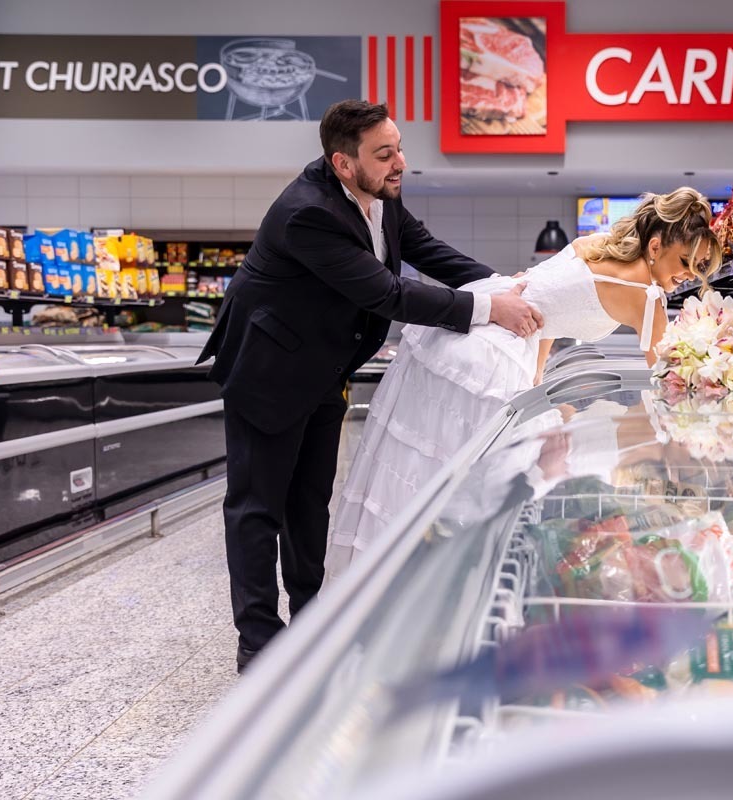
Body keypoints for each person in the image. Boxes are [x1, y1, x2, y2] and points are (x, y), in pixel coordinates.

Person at [198, 100, 543, 673]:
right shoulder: (307, 213)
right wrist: (490, 309)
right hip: (267, 372)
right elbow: (387, 293)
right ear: (342, 163)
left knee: (309, 502)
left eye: (400, 147)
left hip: (323, 369)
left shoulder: (380, 192)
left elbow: (428, 253)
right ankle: (258, 640)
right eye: (385, 154)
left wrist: (505, 284)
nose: (400, 162)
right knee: (258, 507)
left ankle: (310, 622)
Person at [325, 187, 723, 579]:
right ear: (655, 247)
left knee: (427, 473)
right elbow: (669, 377)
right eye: (686, 261)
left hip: (481, 331)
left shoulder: (595, 245)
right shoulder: (647, 294)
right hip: (493, 355)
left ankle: (392, 580)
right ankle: (437, 581)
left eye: (699, 268)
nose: (688, 275)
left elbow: (546, 310)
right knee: (469, 488)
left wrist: (535, 378)